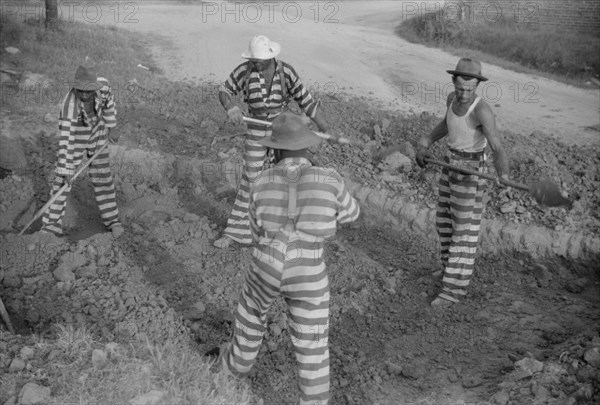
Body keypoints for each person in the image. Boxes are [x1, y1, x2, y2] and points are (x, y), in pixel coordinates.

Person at [208, 113, 360, 405]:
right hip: (308, 269)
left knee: (250, 316)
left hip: (266, 262)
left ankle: (231, 368)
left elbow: (254, 230)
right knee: (313, 345)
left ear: (275, 150)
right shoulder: (329, 178)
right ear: (307, 146)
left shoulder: (262, 180)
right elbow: (352, 214)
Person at [214, 35, 337, 248]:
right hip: (256, 131)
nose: (256, 64)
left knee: (287, 176)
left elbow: (306, 101)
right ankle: (235, 233)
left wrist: (326, 128)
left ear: (271, 56)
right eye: (254, 61)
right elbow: (224, 90)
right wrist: (231, 107)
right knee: (251, 179)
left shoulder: (286, 72)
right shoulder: (244, 71)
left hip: (283, 131)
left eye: (259, 61)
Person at [415, 57, 509, 307]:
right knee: (444, 222)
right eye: (460, 88)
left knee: (463, 233)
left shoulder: (481, 110)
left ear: (477, 85)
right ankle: (448, 269)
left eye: (470, 88)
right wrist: (426, 141)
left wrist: (504, 175)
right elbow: (446, 124)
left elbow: (497, 147)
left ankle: (453, 290)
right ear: (453, 82)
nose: (464, 93)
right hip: (450, 166)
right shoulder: (451, 99)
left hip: (471, 173)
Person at [41, 65, 123, 238]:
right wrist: (65, 169)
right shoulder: (69, 107)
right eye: (81, 91)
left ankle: (113, 221)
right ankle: (50, 227)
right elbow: (66, 140)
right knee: (62, 181)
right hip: (77, 132)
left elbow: (109, 105)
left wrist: (112, 126)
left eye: (89, 91)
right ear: (75, 87)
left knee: (102, 175)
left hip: (98, 129)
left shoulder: (104, 87)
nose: (85, 95)